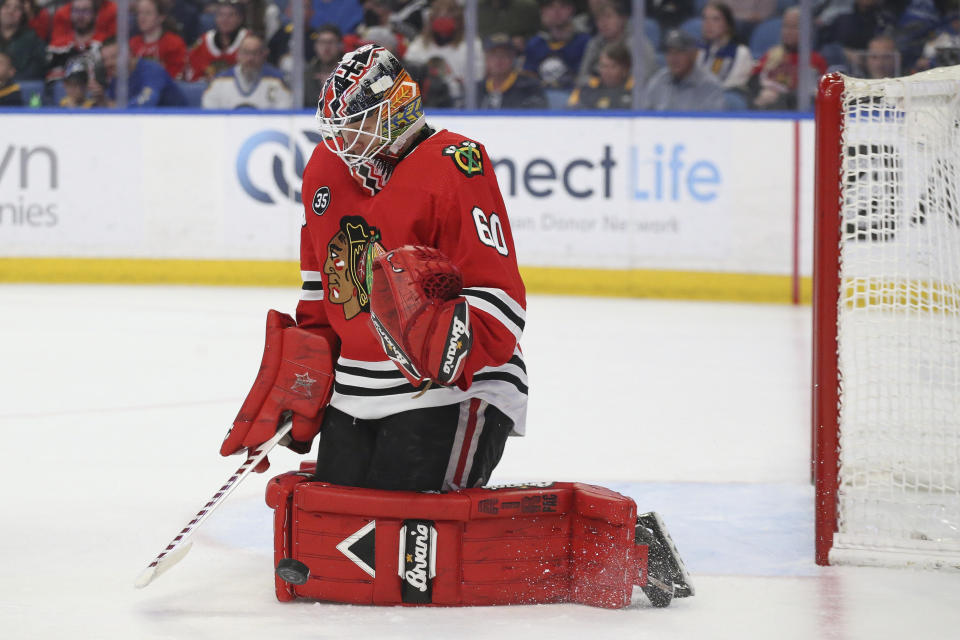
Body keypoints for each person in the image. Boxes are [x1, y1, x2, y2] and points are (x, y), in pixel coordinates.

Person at [220, 44, 528, 493]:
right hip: (355, 392)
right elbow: (320, 291)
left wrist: (450, 352)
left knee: (405, 535)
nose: (342, 142)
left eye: (356, 126)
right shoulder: (324, 168)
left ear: (397, 110)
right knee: (337, 529)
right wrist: (303, 377)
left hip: (452, 390)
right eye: (336, 130)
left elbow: (499, 295)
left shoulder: (457, 164)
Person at [403, 0, 483, 103]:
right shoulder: (418, 45)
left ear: (458, 19)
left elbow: (478, 79)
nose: (443, 19)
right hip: (424, 101)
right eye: (439, 15)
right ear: (431, 19)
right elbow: (407, 77)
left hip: (460, 102)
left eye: (448, 15)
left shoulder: (472, 44)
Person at [747, 6, 827, 110]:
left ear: (807, 30)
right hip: (764, 105)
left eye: (794, 27)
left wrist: (779, 96)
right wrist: (762, 91)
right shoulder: (772, 54)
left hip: (791, 110)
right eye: (785, 26)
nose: (788, 31)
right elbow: (753, 80)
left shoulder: (815, 60)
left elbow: (813, 95)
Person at [575, 0, 655, 89]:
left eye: (608, 17)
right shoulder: (595, 43)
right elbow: (581, 77)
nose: (603, 23)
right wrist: (598, 83)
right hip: (598, 93)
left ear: (622, 19)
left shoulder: (638, 44)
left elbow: (645, 78)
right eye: (599, 19)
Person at [640, 29, 724, 111]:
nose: (673, 59)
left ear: (693, 54)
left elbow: (713, 123)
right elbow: (643, 118)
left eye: (679, 52)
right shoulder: (658, 81)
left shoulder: (709, 86)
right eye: (669, 52)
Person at [89, 37, 187, 106]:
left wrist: (110, 105)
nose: (108, 64)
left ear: (129, 54)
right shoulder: (116, 78)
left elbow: (146, 103)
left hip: (176, 127)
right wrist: (102, 101)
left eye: (114, 57)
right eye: (105, 60)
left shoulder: (152, 70)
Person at [202, 32, 291, 108]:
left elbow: (285, 112)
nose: (250, 58)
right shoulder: (220, 81)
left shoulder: (277, 80)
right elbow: (209, 113)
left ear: (264, 54)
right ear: (238, 55)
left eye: (255, 53)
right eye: (246, 53)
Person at [523, 0, 590, 89]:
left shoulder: (585, 42)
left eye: (563, 6)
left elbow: (587, 77)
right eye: (550, 7)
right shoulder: (535, 43)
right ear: (543, 11)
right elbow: (528, 77)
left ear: (571, 10)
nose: (556, 11)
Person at [46, 0, 114, 80]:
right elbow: (50, 81)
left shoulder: (104, 44)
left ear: (95, 14)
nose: (80, 16)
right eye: (76, 11)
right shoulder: (57, 47)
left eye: (85, 11)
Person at [478, 31, 547, 109]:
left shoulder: (530, 87)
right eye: (493, 55)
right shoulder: (477, 90)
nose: (499, 60)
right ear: (486, 59)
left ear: (513, 58)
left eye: (504, 55)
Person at [696, 1, 752, 92]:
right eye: (705, 19)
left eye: (716, 19)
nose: (708, 24)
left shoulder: (740, 53)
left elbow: (733, 88)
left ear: (728, 25)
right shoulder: (698, 49)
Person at [186, 0, 247, 81]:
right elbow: (193, 72)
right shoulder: (204, 40)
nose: (225, 19)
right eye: (221, 15)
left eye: (231, 15)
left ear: (240, 19)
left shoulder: (248, 40)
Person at [129, 0, 187, 80]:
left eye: (148, 13)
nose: (142, 17)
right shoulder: (133, 43)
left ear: (161, 17)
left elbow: (175, 78)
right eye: (139, 13)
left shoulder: (174, 43)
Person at [569, 40, 632, 109]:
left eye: (613, 66)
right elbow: (569, 114)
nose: (607, 71)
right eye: (603, 66)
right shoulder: (586, 87)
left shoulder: (635, 89)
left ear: (625, 68)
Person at [0, 0, 45, 80]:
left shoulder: (32, 40)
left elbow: (39, 67)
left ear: (22, 14)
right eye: (6, 6)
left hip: (20, 87)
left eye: (17, 8)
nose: (11, 11)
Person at [303, 22, 341, 107]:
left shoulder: (350, 74)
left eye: (331, 42)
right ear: (315, 46)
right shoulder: (307, 75)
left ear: (339, 46)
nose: (326, 48)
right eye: (322, 42)